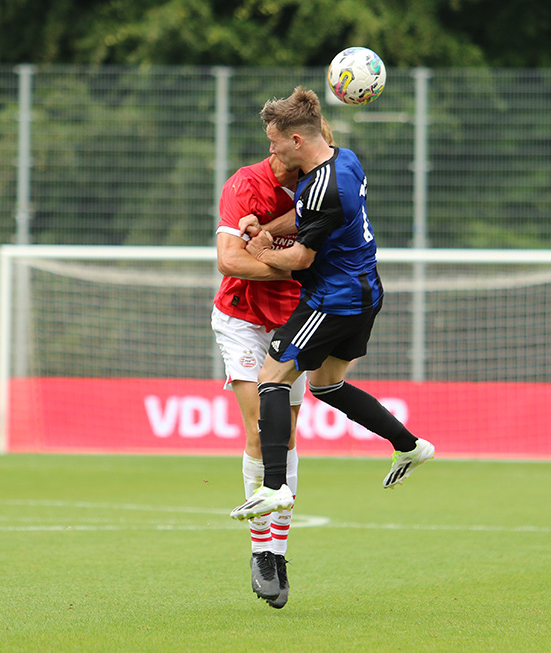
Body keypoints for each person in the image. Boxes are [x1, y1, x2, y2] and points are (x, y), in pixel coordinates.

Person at [229, 86, 435, 530]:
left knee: (273, 376)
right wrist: (265, 226)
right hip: (366, 292)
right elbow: (305, 217)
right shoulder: (345, 158)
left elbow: (300, 258)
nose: (271, 149)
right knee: (327, 385)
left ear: (296, 141)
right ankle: (410, 445)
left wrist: (262, 248)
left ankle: (275, 486)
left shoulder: (324, 187)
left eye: (274, 141)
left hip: (334, 298)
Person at [211, 118, 334, 610]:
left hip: (294, 319)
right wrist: (284, 263)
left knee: (286, 436)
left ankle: (277, 552)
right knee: (262, 429)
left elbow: (316, 257)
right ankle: (261, 553)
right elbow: (228, 260)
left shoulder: (322, 187)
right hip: (240, 316)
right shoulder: (246, 184)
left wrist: (272, 254)